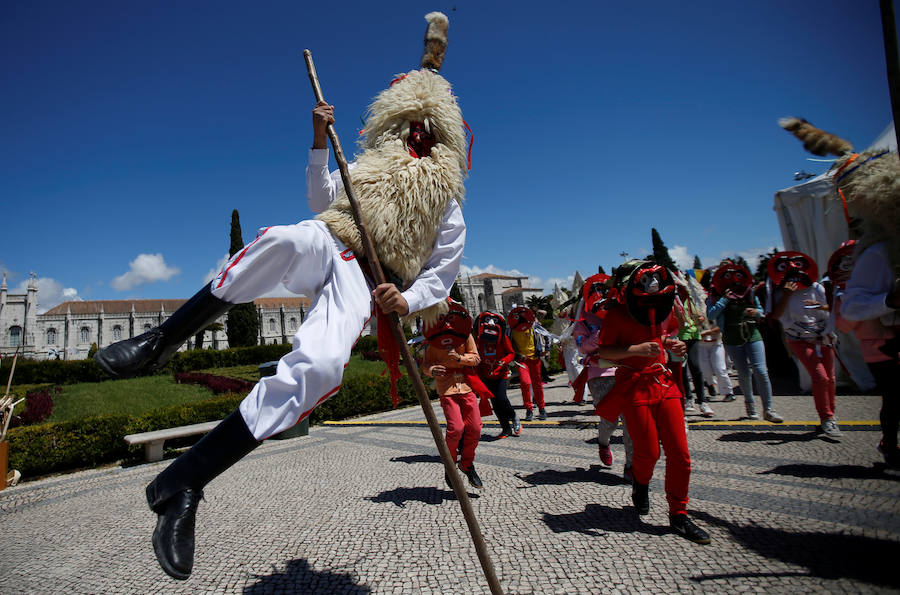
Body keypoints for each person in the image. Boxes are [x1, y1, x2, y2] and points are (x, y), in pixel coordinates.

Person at [92, 13, 470, 580]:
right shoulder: (364, 165)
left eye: (427, 129)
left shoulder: (447, 205)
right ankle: (159, 342)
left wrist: (405, 302)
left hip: (366, 284)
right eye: (410, 125)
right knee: (281, 238)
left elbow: (441, 276)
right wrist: (319, 142)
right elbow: (321, 200)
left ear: (444, 137)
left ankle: (183, 484)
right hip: (330, 239)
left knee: (319, 369)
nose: (417, 136)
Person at [593, 260, 710, 544]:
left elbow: (669, 339)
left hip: (665, 384)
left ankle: (679, 514)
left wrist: (677, 346)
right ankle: (641, 485)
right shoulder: (617, 316)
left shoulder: (665, 309)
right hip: (633, 388)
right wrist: (637, 350)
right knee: (647, 453)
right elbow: (603, 354)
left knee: (680, 454)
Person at [831, 149, 900, 467]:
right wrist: (890, 301)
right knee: (895, 398)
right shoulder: (878, 254)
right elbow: (848, 317)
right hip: (884, 345)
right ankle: (889, 442)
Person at [768, 251, 840, 438]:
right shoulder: (780, 291)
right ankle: (827, 418)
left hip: (824, 336)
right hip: (799, 338)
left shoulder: (817, 287)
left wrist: (820, 308)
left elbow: (831, 309)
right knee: (820, 377)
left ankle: (831, 416)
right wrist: (786, 295)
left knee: (830, 378)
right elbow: (776, 316)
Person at [706, 260, 784, 423]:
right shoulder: (714, 293)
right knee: (743, 373)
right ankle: (750, 405)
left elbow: (761, 311)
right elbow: (711, 315)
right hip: (731, 337)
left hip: (752, 333)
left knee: (761, 371)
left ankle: (768, 409)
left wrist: (756, 312)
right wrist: (724, 300)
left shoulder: (748, 290)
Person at [572, 273, 634, 477]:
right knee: (610, 420)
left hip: (624, 371)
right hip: (599, 374)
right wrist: (600, 335)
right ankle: (603, 442)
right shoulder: (582, 319)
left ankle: (630, 466)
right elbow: (582, 348)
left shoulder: (618, 311)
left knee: (629, 420)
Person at [422, 301, 484, 488]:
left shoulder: (465, 334)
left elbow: (476, 358)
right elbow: (425, 365)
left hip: (466, 386)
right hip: (447, 389)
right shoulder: (432, 339)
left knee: (475, 428)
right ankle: (450, 466)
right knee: (455, 429)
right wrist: (432, 370)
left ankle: (467, 464)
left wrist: (460, 358)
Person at [473, 311, 521, 438]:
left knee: (502, 398)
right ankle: (505, 428)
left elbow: (511, 353)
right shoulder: (478, 339)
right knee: (495, 402)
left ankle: (514, 416)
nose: (490, 323)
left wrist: (503, 361)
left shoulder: (503, 337)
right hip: (486, 375)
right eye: (487, 320)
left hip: (500, 373)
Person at [674, 276, 714, 417]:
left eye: (682, 288)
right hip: (680, 337)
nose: (680, 291)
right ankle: (689, 398)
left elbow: (699, 316)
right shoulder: (674, 302)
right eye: (678, 288)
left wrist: (700, 319)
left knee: (695, 368)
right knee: (683, 370)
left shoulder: (692, 301)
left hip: (694, 336)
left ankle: (702, 402)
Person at [695, 271, 734, 401]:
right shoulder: (704, 300)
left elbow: (714, 318)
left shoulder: (721, 301)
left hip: (716, 341)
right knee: (705, 369)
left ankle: (728, 392)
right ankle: (710, 384)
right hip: (702, 343)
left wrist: (724, 299)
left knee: (720, 368)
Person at [509, 306, 548, 421]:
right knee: (525, 383)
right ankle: (529, 409)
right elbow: (508, 344)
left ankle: (542, 408)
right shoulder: (511, 329)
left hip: (535, 359)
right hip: (522, 361)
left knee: (537, 384)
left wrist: (546, 350)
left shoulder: (534, 326)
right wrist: (516, 355)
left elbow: (547, 336)